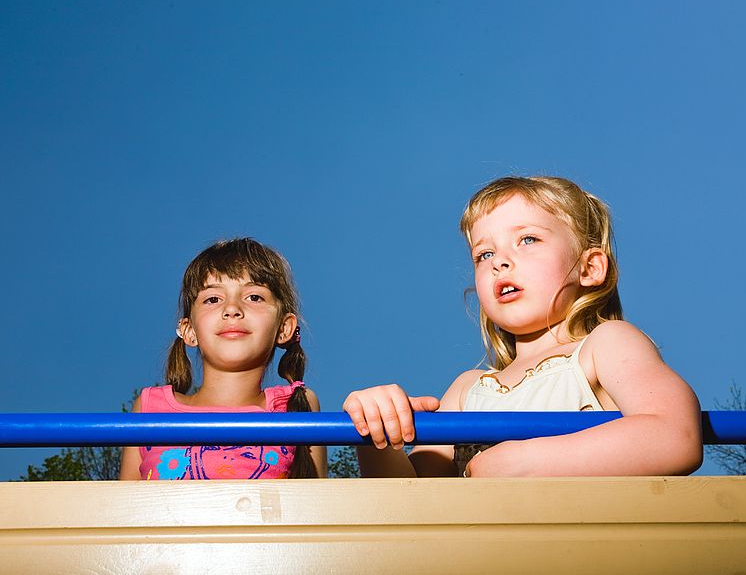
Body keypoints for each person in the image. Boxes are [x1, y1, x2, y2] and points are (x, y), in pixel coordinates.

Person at [343, 176, 703, 477]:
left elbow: (676, 434)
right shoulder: (467, 391)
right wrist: (377, 432)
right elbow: (414, 501)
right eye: (485, 254)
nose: (500, 261)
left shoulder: (604, 346)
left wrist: (525, 462)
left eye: (527, 239)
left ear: (589, 268)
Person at [120, 238, 327, 480]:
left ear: (284, 328)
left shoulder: (295, 406)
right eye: (213, 299)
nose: (232, 309)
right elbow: (125, 512)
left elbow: (317, 507)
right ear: (189, 331)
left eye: (254, 297)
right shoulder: (150, 409)